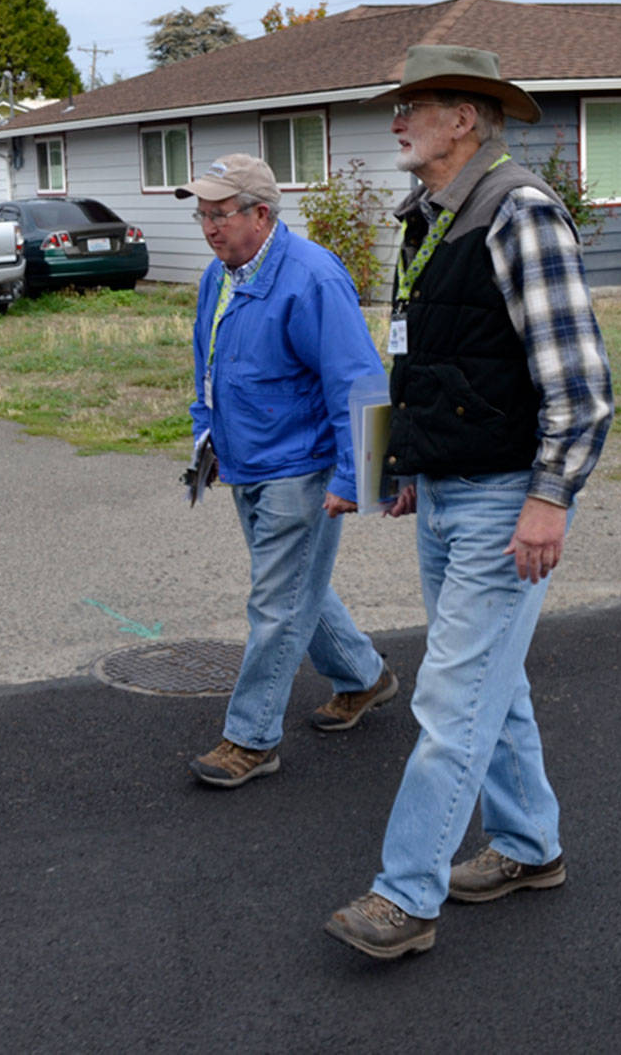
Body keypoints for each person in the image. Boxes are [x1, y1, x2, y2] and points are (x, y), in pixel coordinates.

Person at [323, 45, 614, 959]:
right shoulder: (428, 219)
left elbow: (582, 384)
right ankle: (530, 847)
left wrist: (549, 499)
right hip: (448, 492)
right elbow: (441, 364)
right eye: (399, 103)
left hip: (503, 504)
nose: (398, 119)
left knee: (451, 699)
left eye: (415, 105)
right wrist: (408, 464)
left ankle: (404, 896)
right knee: (495, 683)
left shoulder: (518, 211)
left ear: (465, 120)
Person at [178, 153, 397, 789]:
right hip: (246, 461)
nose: (209, 227)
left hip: (301, 470)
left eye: (220, 214)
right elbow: (209, 365)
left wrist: (360, 480)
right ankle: (363, 678)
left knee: (275, 602)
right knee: (300, 584)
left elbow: (361, 382)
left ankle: (250, 738)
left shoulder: (311, 278)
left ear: (261, 215)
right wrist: (205, 437)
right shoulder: (219, 277)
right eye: (203, 215)